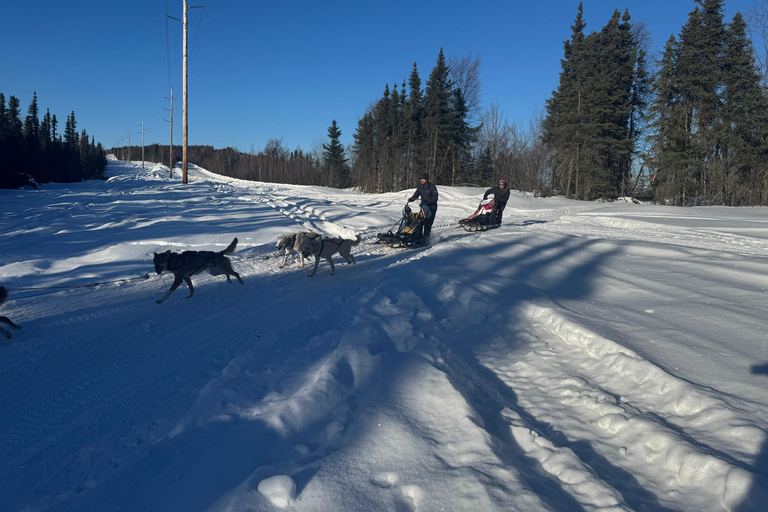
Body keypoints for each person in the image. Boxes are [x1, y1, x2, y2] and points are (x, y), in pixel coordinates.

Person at [408, 173, 438, 241]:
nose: (422, 180)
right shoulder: (420, 187)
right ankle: (418, 237)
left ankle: (426, 239)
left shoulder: (432, 187)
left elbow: (435, 198)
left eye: (423, 179)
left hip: (431, 207)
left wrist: (428, 202)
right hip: (423, 207)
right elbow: (416, 195)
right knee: (420, 222)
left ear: (427, 179)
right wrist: (412, 199)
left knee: (428, 224)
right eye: (421, 179)